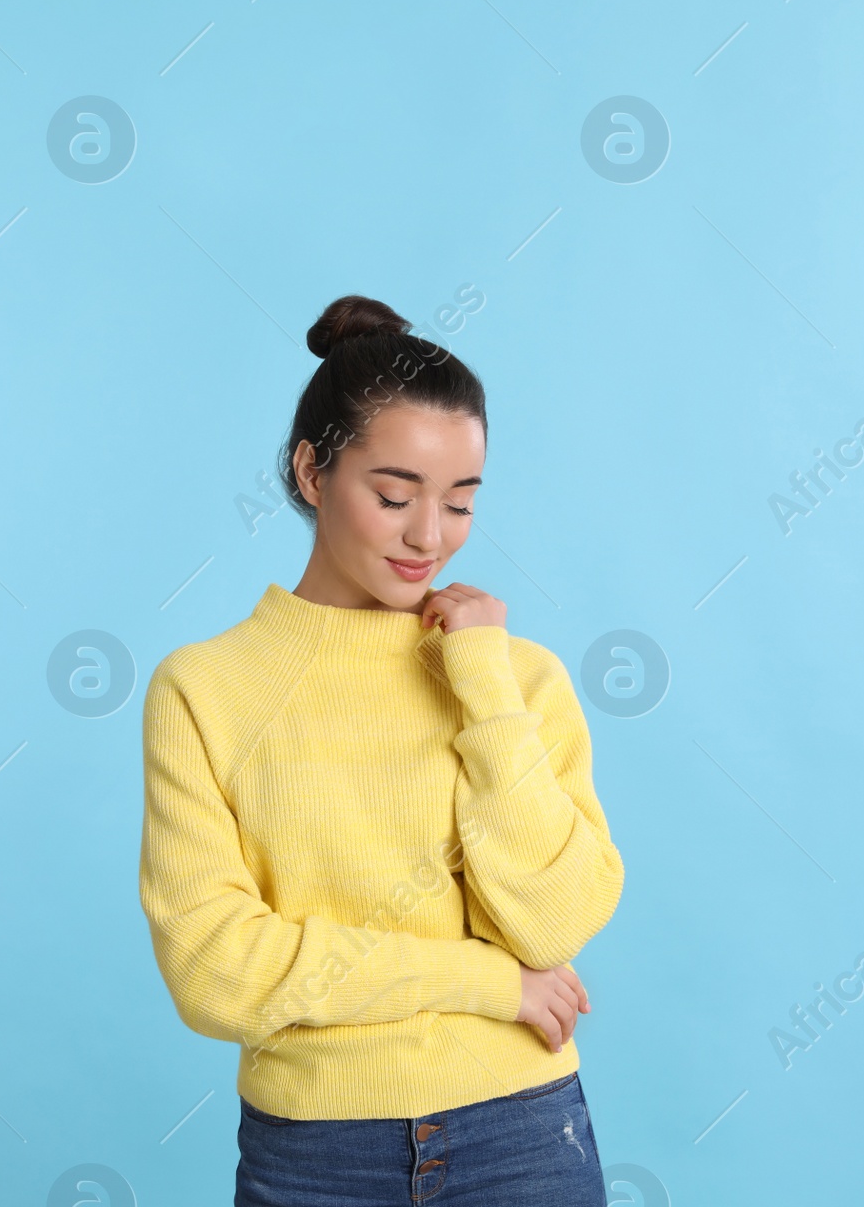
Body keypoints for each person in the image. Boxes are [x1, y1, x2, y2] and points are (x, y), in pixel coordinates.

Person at [139, 294, 625, 1205]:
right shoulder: (205, 689)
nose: (429, 537)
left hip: (522, 1132)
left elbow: (555, 925)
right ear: (313, 472)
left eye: (461, 502)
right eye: (395, 496)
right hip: (314, 1153)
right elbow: (215, 972)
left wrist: (479, 683)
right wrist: (485, 980)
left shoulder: (517, 678)